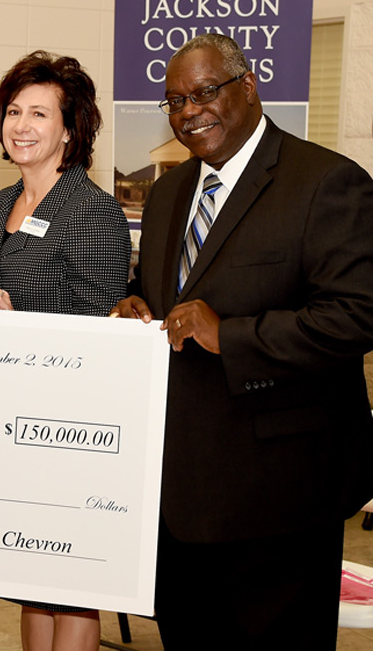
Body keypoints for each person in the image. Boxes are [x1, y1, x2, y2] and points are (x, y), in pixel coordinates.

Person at [110, 33, 373, 650]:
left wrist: (230, 335)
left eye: (204, 92)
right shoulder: (171, 190)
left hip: (280, 495)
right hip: (179, 495)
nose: (189, 111)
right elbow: (163, 291)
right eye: (174, 101)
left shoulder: (326, 182)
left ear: (248, 85)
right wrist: (133, 306)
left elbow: (357, 315)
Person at [0, 52, 130, 649]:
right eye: (13, 111)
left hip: (73, 427)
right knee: (30, 577)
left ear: (70, 127)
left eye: (39, 112)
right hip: (11, 420)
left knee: (71, 577)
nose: (22, 125)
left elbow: (106, 327)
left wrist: (21, 315)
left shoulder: (91, 208)